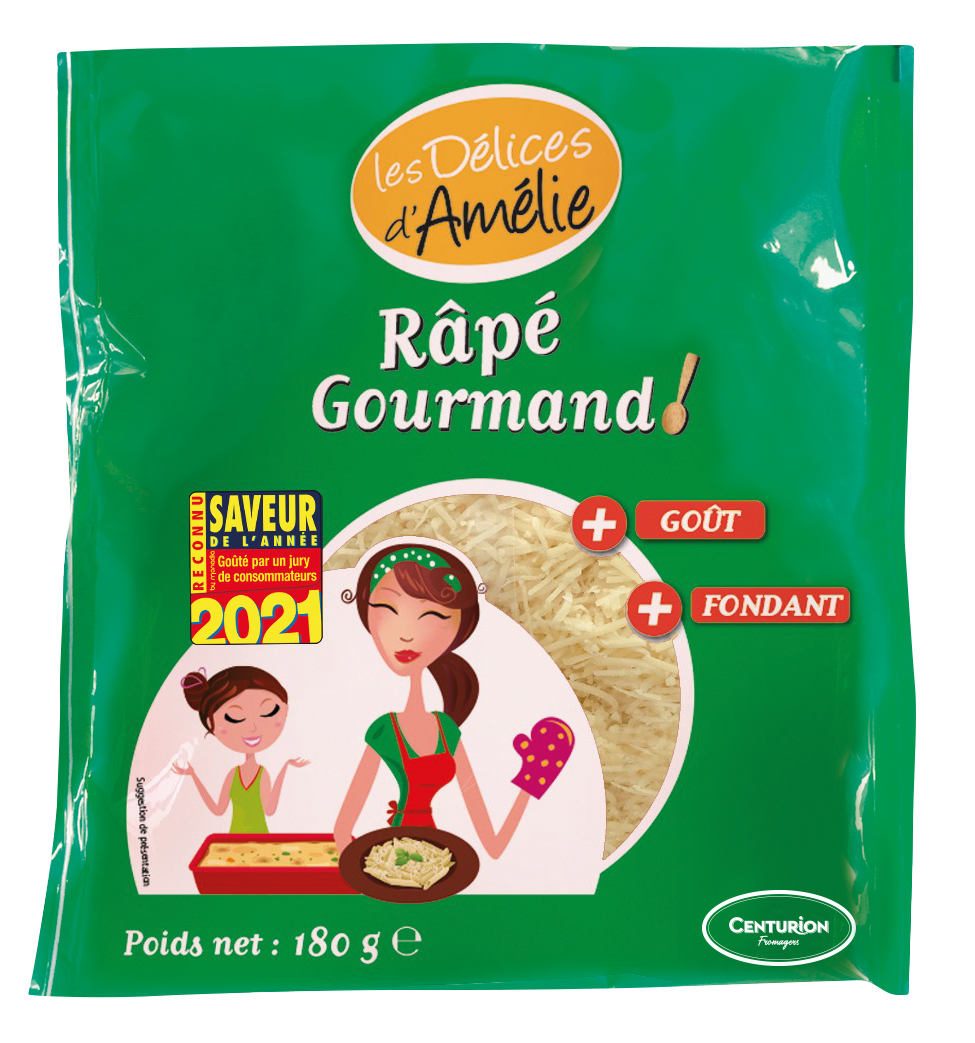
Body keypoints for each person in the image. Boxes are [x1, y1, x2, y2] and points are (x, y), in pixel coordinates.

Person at [334, 544, 572, 857]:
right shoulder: (384, 731)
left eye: (432, 615)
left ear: (459, 628)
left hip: (439, 860)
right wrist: (368, 869)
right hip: (395, 859)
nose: (406, 634)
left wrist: (530, 783)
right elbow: (342, 831)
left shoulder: (447, 731)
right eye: (388, 609)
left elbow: (494, 845)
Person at [172, 665, 308, 832]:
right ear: (210, 723)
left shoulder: (260, 774)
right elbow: (218, 810)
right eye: (234, 717)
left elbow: (269, 810)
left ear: (285, 710)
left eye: (269, 711)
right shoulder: (234, 775)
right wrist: (193, 775)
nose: (252, 727)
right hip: (233, 842)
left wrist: (285, 768)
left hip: (260, 840)